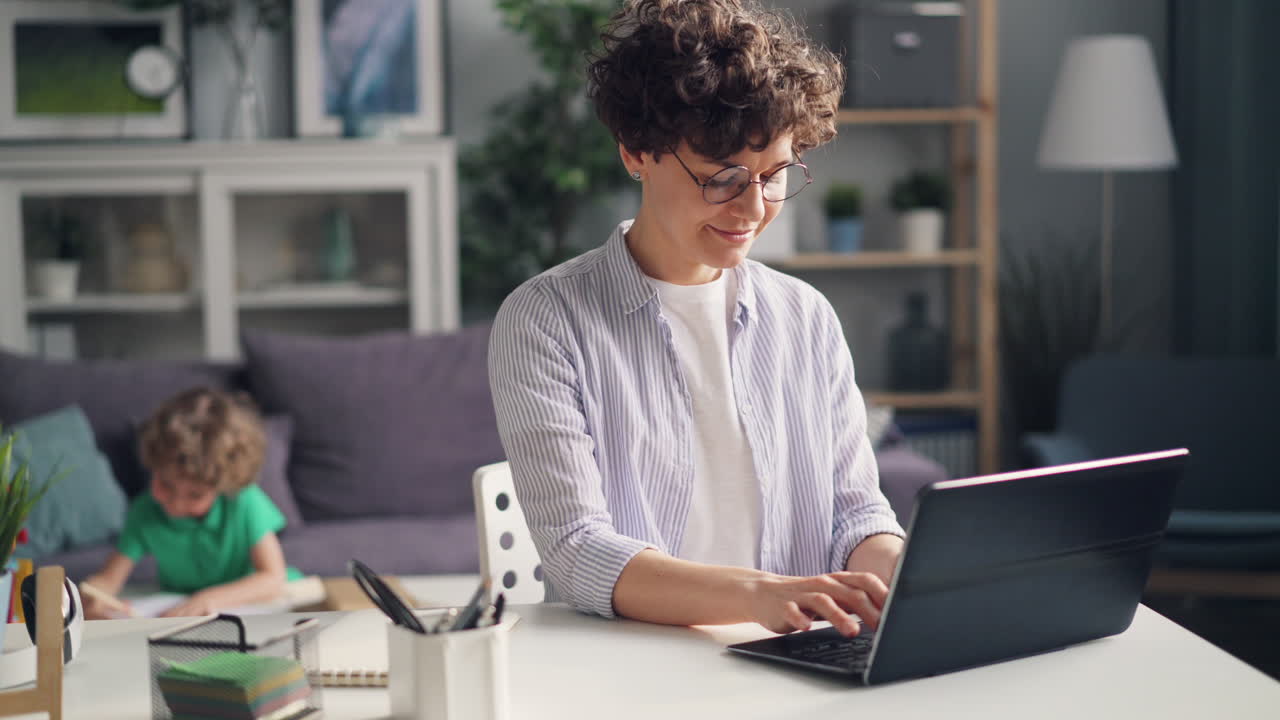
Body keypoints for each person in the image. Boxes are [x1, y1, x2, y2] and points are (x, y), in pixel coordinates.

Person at [489, 0, 904, 639]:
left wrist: (903, 571)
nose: (753, 208)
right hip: (636, 666)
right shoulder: (546, 321)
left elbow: (854, 515)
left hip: (798, 661)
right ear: (636, 152)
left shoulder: (805, 317)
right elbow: (577, 550)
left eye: (774, 176)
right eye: (722, 178)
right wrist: (761, 597)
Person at [81, 388, 300, 619]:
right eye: (165, 484)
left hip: (257, 608)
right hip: (182, 615)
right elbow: (108, 579)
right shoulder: (144, 512)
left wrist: (208, 599)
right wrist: (95, 595)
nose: (176, 503)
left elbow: (272, 578)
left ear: (222, 487)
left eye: (195, 495)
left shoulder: (244, 501)